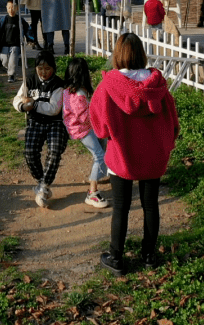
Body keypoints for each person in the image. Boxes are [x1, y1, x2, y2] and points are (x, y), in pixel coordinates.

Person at [90, 33, 180, 275]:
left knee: (121, 206)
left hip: (122, 155)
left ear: (117, 55)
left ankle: (116, 257)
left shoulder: (108, 85)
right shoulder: (158, 85)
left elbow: (98, 125)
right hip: (153, 155)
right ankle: (149, 256)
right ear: (141, 53)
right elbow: (173, 122)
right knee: (151, 205)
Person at [12, 49, 67, 208]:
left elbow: (54, 108)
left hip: (55, 122)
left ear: (54, 69)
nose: (43, 72)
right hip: (35, 121)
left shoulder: (58, 84)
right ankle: (41, 181)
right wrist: (22, 106)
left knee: (55, 150)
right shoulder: (29, 81)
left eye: (47, 69)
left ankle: (44, 186)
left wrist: (34, 104)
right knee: (30, 152)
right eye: (40, 69)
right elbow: (17, 98)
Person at [62, 57, 110, 209]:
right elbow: (86, 117)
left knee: (102, 145)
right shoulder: (79, 95)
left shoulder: (70, 90)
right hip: (82, 130)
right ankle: (92, 193)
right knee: (99, 155)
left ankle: (98, 173)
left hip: (81, 127)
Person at [0, 0, 30, 82]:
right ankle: (9, 69)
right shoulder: (2, 20)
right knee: (4, 60)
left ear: (17, 8)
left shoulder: (20, 20)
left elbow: (28, 30)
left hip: (16, 44)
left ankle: (11, 75)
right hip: (4, 44)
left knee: (13, 59)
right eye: (9, 7)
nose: (11, 10)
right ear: (6, 7)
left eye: (13, 7)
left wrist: (30, 39)